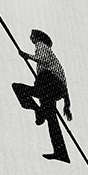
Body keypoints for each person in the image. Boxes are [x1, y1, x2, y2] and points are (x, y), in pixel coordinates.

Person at [12, 29, 72, 163]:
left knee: (18, 88)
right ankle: (61, 153)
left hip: (48, 84)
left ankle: (38, 111)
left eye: (32, 35)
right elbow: (64, 83)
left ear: (37, 37)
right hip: (53, 88)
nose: (30, 37)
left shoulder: (41, 45)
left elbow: (42, 60)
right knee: (51, 119)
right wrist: (67, 103)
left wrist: (27, 56)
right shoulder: (54, 59)